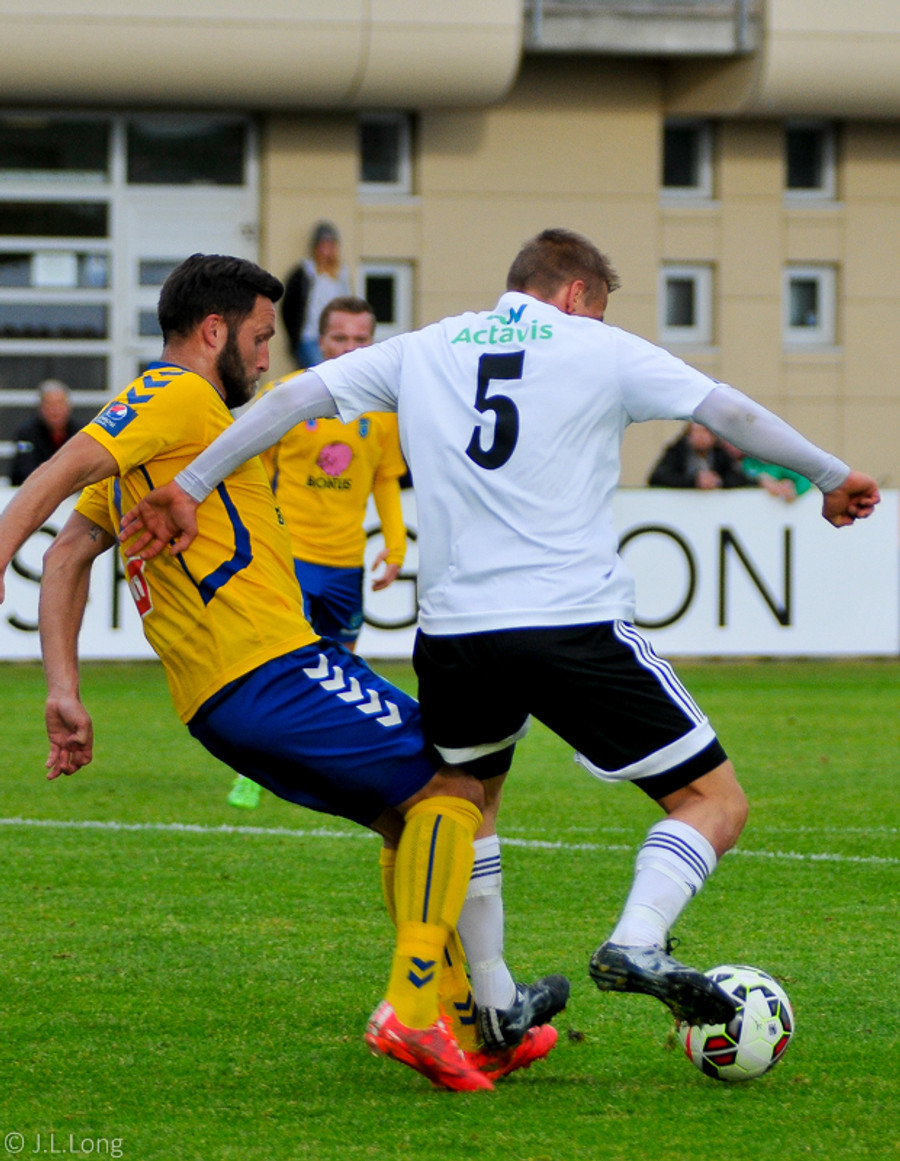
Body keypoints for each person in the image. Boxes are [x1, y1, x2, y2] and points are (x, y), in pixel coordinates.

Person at [117, 229, 880, 1035]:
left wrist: (191, 484)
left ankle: (494, 999)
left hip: (456, 635)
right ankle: (638, 937)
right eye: (596, 306)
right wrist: (830, 475)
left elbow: (287, 402)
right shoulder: (599, 347)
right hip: (569, 619)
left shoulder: (426, 348)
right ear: (576, 294)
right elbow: (726, 410)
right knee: (713, 800)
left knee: (470, 802)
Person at [0, 253, 568, 1093]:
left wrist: (63, 690)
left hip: (219, 700)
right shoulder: (175, 395)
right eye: (261, 338)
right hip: (270, 667)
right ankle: (420, 1009)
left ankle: (469, 1023)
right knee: (458, 784)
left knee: (409, 817)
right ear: (214, 331)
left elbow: (69, 556)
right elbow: (58, 473)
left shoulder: (164, 437)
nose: (267, 358)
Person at [226, 296, 408, 811]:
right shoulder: (286, 395)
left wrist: (395, 545)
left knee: (342, 668)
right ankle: (252, 771)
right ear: (320, 341)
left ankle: (334, 763)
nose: (349, 348)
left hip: (346, 562)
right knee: (283, 664)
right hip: (291, 557)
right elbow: (251, 469)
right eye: (339, 338)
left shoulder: (384, 411)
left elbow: (385, 480)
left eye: (360, 339)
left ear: (372, 342)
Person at [281, 222, 352, 368]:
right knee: (320, 372)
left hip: (334, 336)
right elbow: (288, 306)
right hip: (309, 337)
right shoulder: (305, 272)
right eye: (323, 245)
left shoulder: (342, 273)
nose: (327, 250)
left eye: (331, 245)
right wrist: (294, 337)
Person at [10, 379, 79, 485]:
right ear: (41, 408)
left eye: (59, 404)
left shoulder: (80, 432)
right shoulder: (26, 434)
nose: (55, 410)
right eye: (49, 405)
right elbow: (24, 469)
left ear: (68, 407)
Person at [647, 422, 752, 490]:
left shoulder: (720, 453)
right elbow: (657, 478)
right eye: (696, 431)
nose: (700, 436)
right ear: (688, 435)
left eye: (705, 432)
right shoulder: (677, 452)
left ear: (713, 436)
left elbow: (738, 477)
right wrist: (694, 482)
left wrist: (718, 480)